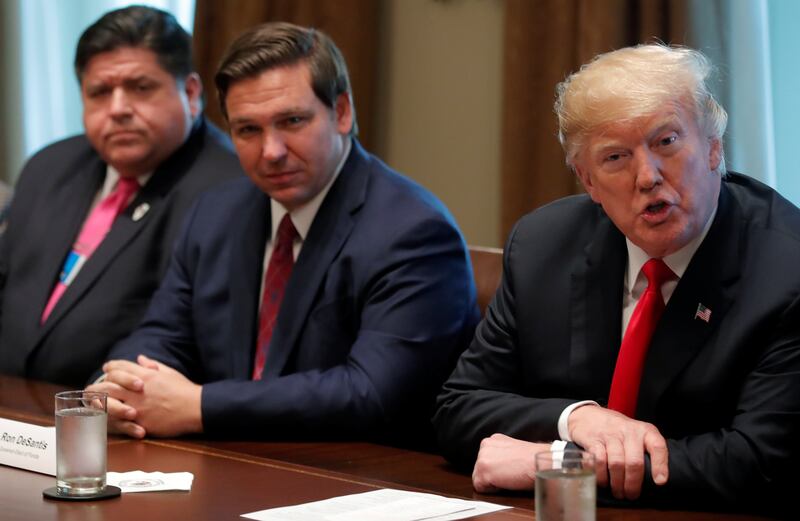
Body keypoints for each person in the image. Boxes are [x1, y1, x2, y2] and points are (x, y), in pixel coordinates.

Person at [433, 44, 800, 517]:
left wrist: (561, 463)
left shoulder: (786, 271)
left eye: (666, 142)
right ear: (587, 181)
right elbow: (458, 407)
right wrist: (576, 419)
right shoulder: (543, 246)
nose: (647, 176)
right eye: (615, 158)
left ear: (713, 147)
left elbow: (759, 463)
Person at [89, 22, 479, 446]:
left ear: (342, 112)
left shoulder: (414, 231)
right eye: (248, 130)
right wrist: (118, 388)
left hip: (366, 477)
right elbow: (163, 334)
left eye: (291, 121)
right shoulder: (216, 213)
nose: (271, 151)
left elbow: (371, 393)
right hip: (237, 464)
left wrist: (199, 406)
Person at [0, 6, 242, 387]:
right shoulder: (49, 166)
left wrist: (95, 408)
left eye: (140, 88)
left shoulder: (230, 189)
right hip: (16, 406)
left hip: (117, 420)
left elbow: (187, 339)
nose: (118, 109)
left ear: (191, 93)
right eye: (99, 92)